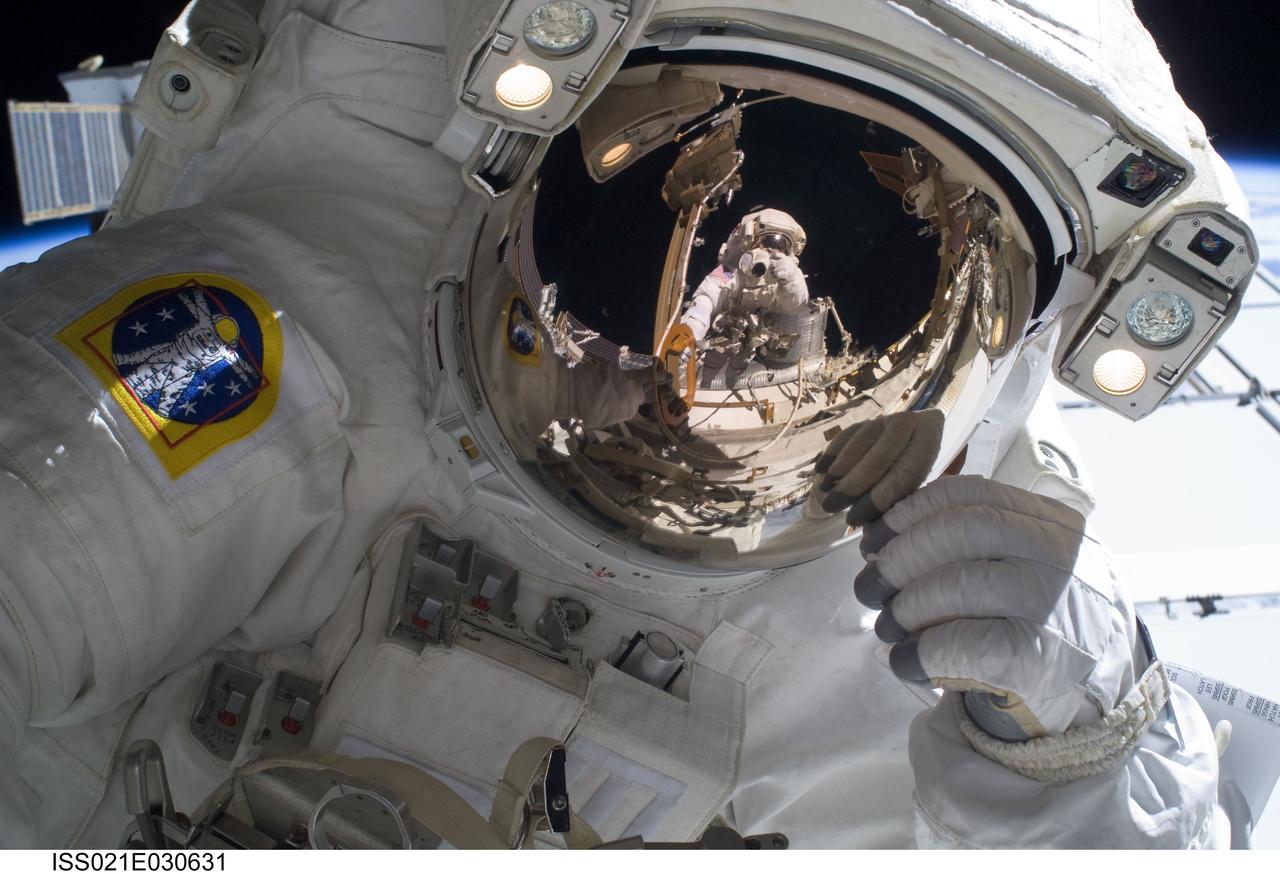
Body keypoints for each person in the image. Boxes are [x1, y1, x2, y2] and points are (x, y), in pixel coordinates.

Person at [0, 0, 1249, 849]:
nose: (765, 255)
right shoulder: (262, 349)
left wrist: (1089, 739)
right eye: (734, 215)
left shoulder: (900, 633)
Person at [680, 208, 810, 346]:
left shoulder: (786, 280)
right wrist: (693, 327)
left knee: (738, 364)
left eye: (781, 245)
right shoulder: (729, 271)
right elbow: (708, 295)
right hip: (719, 339)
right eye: (768, 242)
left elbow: (796, 306)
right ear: (751, 243)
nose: (773, 250)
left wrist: (792, 278)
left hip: (751, 346)